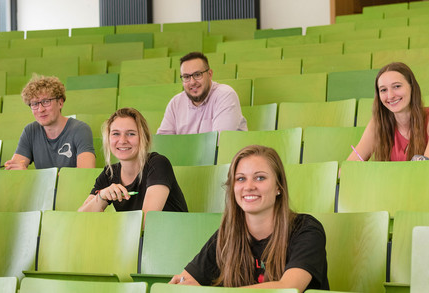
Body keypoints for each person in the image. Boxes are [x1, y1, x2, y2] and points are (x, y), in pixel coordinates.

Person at [169, 145, 328, 291]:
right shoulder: (227, 235)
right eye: (240, 179)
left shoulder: (306, 229)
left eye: (260, 178)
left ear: (278, 187)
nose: (249, 186)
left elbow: (288, 288)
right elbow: (188, 281)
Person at [78, 107, 188, 214]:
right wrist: (101, 197)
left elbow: (146, 222)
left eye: (131, 134)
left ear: (144, 138)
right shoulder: (109, 173)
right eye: (116, 133)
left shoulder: (158, 164)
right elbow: (81, 217)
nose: (122, 140)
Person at [348, 62, 429, 161]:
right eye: (383, 90)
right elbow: (349, 167)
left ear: (412, 87)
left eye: (397, 86)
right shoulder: (378, 123)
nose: (390, 96)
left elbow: (428, 168)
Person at [4, 75, 96, 170]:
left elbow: (85, 171)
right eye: (35, 104)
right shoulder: (30, 131)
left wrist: (29, 175)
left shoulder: (80, 129)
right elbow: (15, 168)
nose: (40, 109)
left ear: (60, 103)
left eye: (46, 101)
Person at [157, 51, 248, 135]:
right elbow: (164, 141)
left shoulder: (225, 95)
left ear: (210, 74)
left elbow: (219, 143)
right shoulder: (175, 103)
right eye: (186, 77)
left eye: (197, 75)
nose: (192, 82)